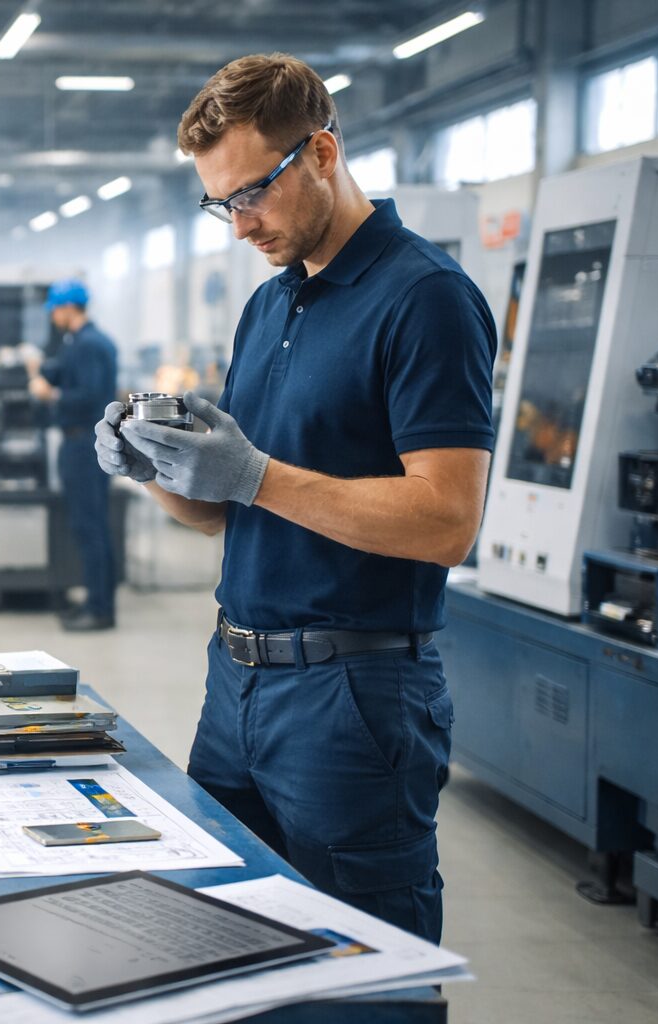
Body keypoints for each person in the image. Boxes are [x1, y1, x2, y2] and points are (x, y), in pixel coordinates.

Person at [97, 53, 495, 944]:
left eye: (252, 194)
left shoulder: (424, 299)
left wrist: (255, 474)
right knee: (229, 942)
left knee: (356, 961)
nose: (239, 225)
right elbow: (223, 511)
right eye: (220, 203)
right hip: (235, 678)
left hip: (352, 694)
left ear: (320, 152)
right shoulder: (271, 306)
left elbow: (447, 521)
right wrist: (153, 467)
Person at [27, 279, 119, 631]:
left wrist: (49, 393)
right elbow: (64, 371)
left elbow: (89, 397)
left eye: (54, 310)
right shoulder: (79, 343)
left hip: (84, 446)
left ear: (67, 309)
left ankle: (100, 609)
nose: (52, 317)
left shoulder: (89, 345)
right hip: (79, 444)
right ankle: (96, 601)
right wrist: (39, 368)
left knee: (91, 527)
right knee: (88, 526)